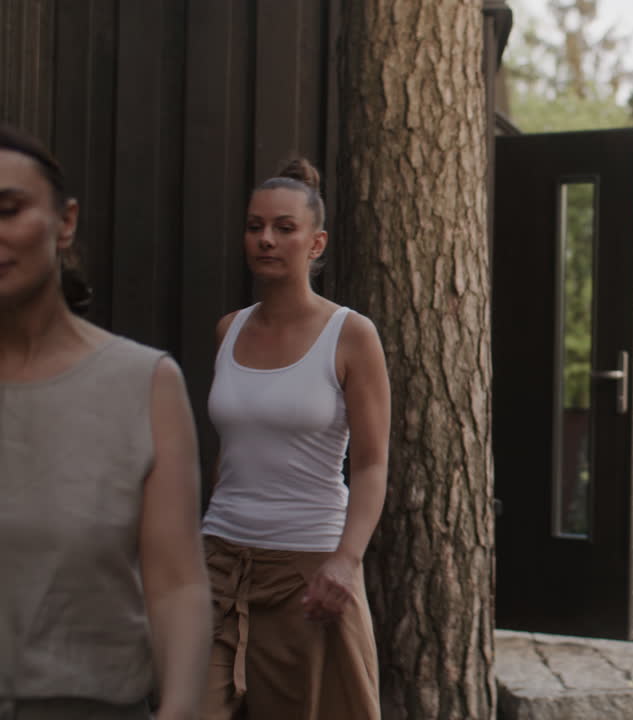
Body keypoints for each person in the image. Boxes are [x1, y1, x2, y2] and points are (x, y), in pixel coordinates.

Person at [0, 124, 211, 719]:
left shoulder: (142, 384)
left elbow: (176, 583)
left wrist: (180, 710)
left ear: (65, 222)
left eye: (8, 210)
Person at [199, 158, 390, 720]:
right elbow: (232, 451)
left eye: (284, 228)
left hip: (308, 571)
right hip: (220, 564)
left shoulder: (351, 335)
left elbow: (372, 465)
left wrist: (345, 560)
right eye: (255, 226)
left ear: (315, 241)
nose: (265, 239)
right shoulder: (227, 329)